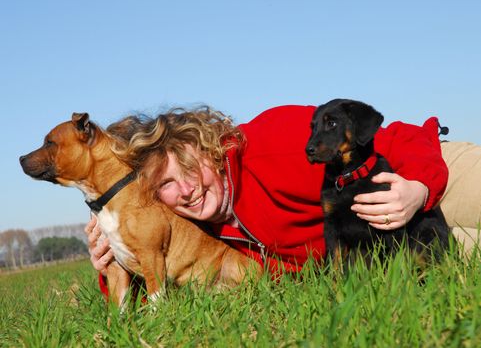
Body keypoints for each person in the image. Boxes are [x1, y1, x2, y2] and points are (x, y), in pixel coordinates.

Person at [86, 103, 456, 283]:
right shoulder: (201, 231)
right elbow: (161, 275)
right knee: (463, 256)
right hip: (397, 243)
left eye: (187, 168)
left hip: (426, 171)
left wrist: (420, 189)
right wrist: (113, 260)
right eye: (166, 185)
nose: (187, 190)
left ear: (206, 146)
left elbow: (396, 137)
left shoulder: (271, 140)